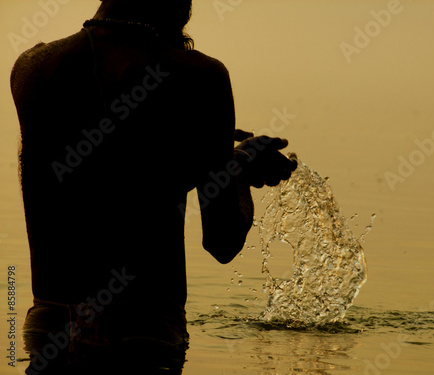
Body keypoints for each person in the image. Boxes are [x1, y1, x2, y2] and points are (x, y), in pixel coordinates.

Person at [10, 0, 297, 373]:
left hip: (49, 330)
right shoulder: (198, 75)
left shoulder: (33, 68)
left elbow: (99, 178)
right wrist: (237, 166)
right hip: (142, 334)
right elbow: (223, 238)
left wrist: (210, 156)